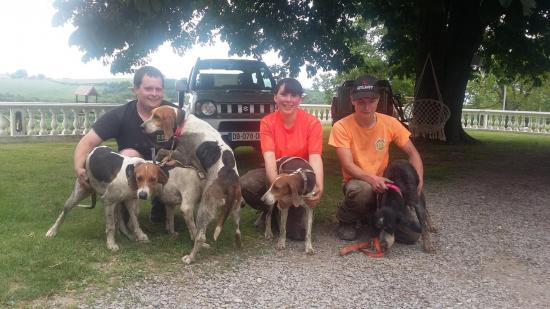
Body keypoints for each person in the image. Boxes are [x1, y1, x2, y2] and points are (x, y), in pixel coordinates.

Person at [328, 75, 424, 242]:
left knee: (411, 236)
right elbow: (347, 164)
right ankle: (346, 219)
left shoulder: (390, 123)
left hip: (385, 183)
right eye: (361, 102)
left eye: (371, 101)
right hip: (358, 181)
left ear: (378, 100)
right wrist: (372, 179)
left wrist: (417, 182)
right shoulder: (341, 126)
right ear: (352, 100)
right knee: (363, 191)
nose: (366, 107)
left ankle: (370, 215)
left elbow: (413, 153)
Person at [74, 65, 173, 223]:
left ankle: (163, 204)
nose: (154, 94)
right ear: (134, 90)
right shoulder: (120, 115)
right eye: (148, 89)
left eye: (158, 89)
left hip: (166, 166)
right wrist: (79, 168)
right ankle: (123, 211)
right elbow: (87, 142)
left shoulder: (172, 113)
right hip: (135, 167)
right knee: (128, 154)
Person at [240, 78, 324, 240]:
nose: (289, 100)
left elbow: (315, 157)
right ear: (275, 97)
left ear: (300, 99)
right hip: (276, 172)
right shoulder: (267, 122)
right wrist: (279, 191)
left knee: (297, 235)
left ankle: (286, 208)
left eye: (294, 95)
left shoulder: (312, 123)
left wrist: (318, 187)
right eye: (284, 94)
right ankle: (270, 210)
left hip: (298, 177)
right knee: (246, 184)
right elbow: (269, 157)